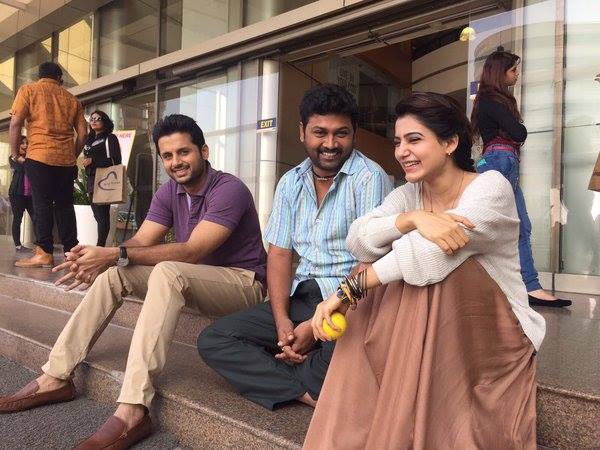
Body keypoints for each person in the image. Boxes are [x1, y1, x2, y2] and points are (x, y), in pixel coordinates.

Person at [0, 114, 267, 450]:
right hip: (194, 278)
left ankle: (133, 409)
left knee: (167, 270)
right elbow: (141, 242)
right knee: (117, 272)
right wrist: (102, 257)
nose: (175, 162)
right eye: (167, 156)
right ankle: (56, 375)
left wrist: (113, 253)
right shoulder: (170, 191)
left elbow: (192, 251)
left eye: (183, 152)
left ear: (204, 151)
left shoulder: (229, 189)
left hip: (243, 284)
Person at [304, 92, 546, 450]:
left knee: (429, 269)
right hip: (438, 325)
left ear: (450, 143)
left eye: (414, 139)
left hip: (497, 330)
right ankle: (350, 431)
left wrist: (346, 292)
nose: (402, 151)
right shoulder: (410, 194)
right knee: (377, 259)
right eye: (398, 142)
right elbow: (359, 240)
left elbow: (432, 255)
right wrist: (412, 218)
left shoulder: (490, 187)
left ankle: (398, 428)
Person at [198, 83, 392, 410]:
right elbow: (279, 255)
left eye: (341, 133)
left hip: (352, 301)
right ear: (302, 132)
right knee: (214, 340)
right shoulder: (291, 182)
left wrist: (315, 329)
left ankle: (294, 376)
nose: (330, 144)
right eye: (320, 132)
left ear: (354, 133)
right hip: (302, 296)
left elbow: (368, 263)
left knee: (343, 356)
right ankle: (308, 389)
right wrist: (283, 323)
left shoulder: (369, 177)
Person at [471, 50, 571, 307]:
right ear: (500, 73)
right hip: (501, 160)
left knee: (516, 227)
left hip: (499, 160)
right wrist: (518, 129)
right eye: (513, 70)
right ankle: (525, 286)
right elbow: (519, 132)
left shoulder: (488, 100)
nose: (517, 75)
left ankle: (525, 286)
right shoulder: (492, 100)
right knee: (504, 227)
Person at [10, 61, 88, 268]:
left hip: (39, 157)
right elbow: (83, 134)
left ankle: (44, 252)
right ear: (59, 78)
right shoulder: (72, 99)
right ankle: (72, 252)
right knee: (65, 206)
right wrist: (71, 155)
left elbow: (16, 123)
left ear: (40, 75)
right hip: (66, 161)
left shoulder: (28, 90)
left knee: (41, 204)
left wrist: (15, 154)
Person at [83, 110, 122, 247]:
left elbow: (115, 160)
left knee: (102, 215)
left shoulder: (110, 138)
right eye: (92, 119)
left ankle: (100, 246)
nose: (94, 121)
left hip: (103, 180)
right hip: (91, 179)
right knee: (97, 215)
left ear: (104, 121)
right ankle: (101, 246)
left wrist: (93, 161)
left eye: (97, 118)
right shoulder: (89, 139)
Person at [8, 135, 35, 252]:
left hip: (31, 194)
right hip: (17, 194)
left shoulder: (31, 158)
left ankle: (42, 244)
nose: (25, 145)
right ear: (17, 145)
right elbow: (20, 169)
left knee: (36, 218)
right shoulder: (13, 157)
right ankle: (18, 245)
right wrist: (29, 162)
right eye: (22, 143)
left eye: (27, 143)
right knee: (18, 219)